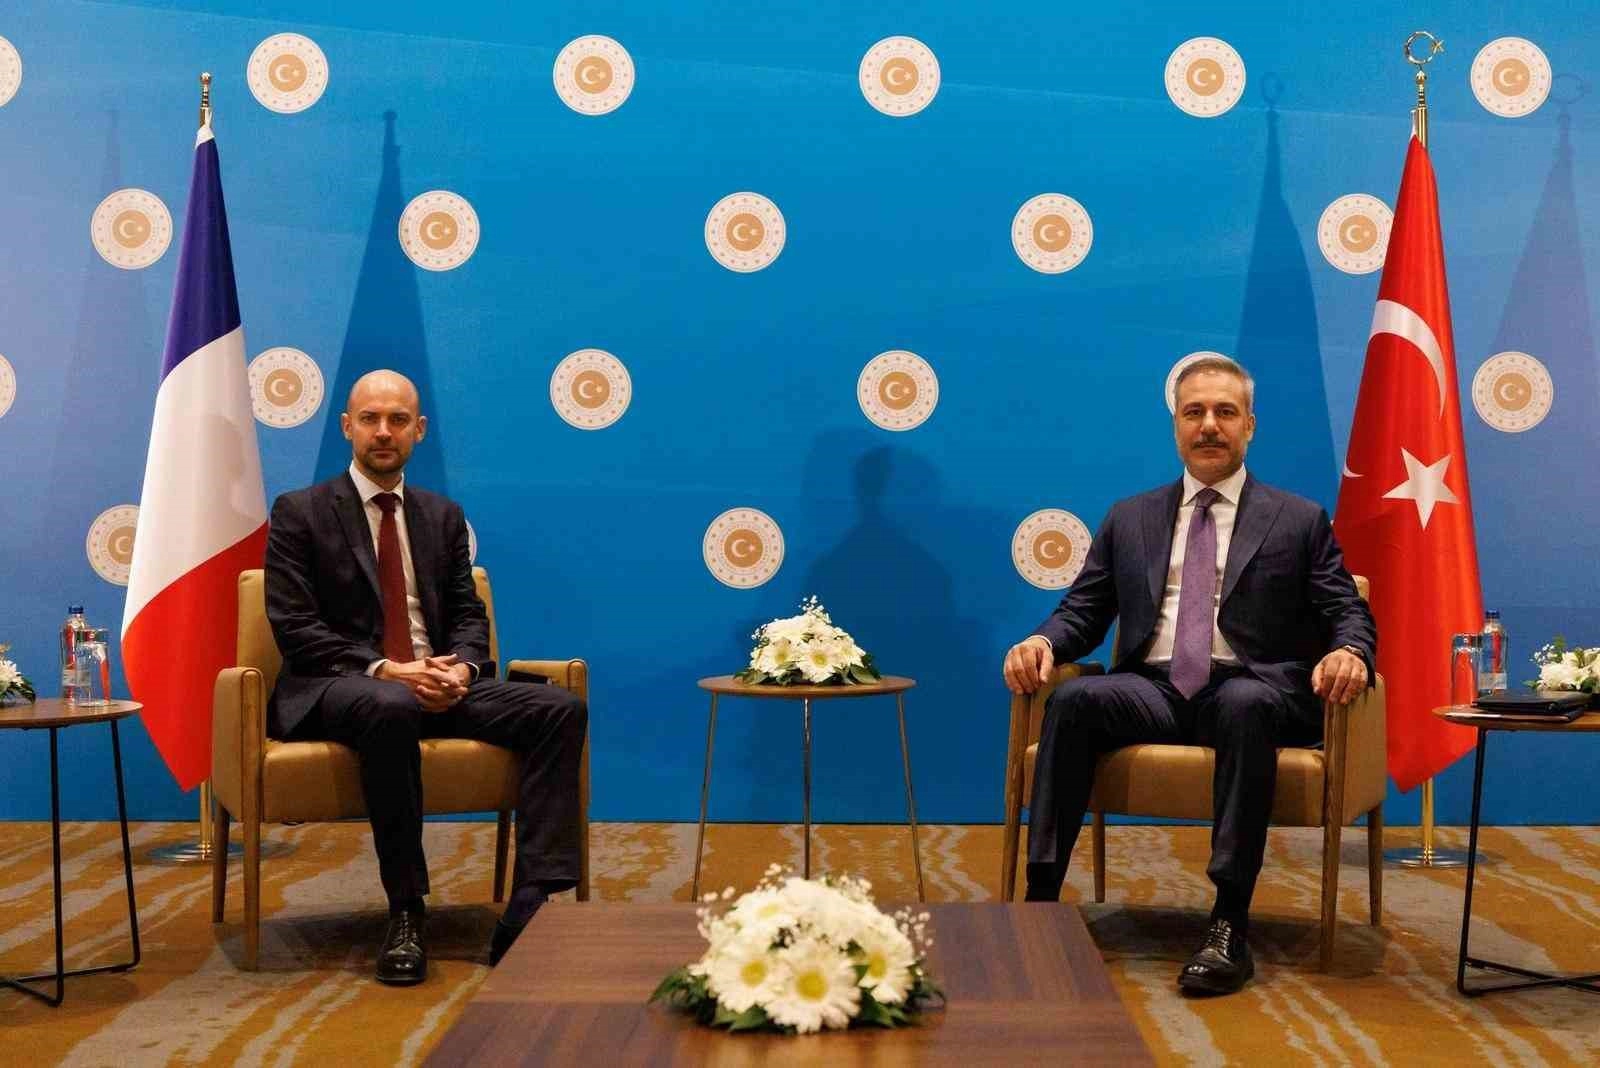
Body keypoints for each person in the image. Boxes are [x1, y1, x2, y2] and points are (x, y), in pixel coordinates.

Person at [1001, 355, 1375, 996]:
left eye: (1225, 412)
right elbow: (1084, 611)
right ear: (1175, 424)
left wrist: (1351, 652)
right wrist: (1041, 641)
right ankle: (1039, 905)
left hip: (1253, 687)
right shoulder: (1131, 516)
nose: (1208, 425)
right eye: (1193, 412)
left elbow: (1347, 610)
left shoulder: (1298, 519)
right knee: (1075, 701)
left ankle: (1228, 923)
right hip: (1154, 688)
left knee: (1243, 704)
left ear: (1249, 425)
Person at [265, 369, 586, 985]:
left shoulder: (442, 516)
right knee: (390, 704)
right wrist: (389, 669)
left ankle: (530, 905)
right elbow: (295, 627)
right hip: (341, 684)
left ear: (419, 429)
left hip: (434, 682)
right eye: (370, 419)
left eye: (397, 420)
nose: (383, 432)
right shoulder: (301, 512)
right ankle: (407, 910)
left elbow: (468, 614)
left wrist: (460, 668)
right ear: (347, 427)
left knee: (559, 709)